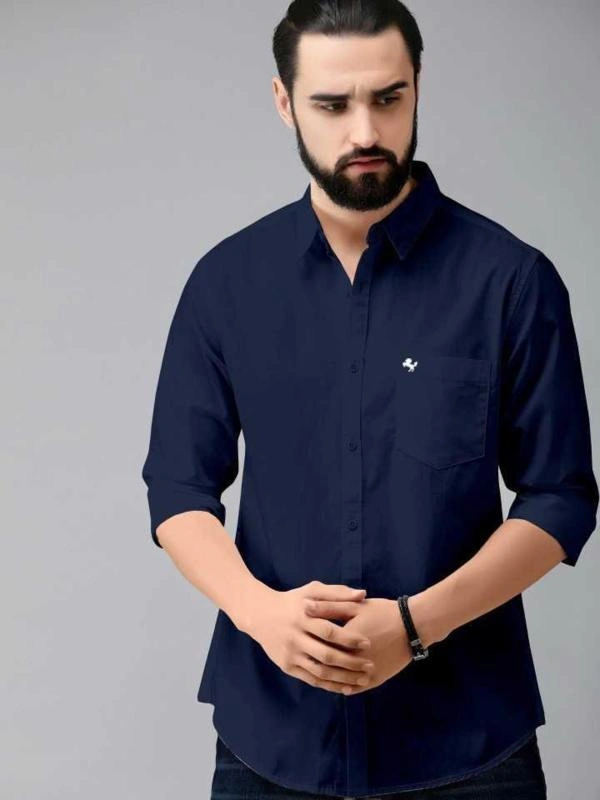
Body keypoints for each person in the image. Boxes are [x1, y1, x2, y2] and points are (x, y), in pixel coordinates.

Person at [141, 1, 598, 798]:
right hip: (269, 741)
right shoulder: (226, 284)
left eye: (389, 98)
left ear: (418, 85)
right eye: (331, 104)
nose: (365, 131)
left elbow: (560, 497)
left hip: (469, 746)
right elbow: (178, 488)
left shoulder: (511, 281)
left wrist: (417, 626)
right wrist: (261, 614)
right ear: (284, 101)